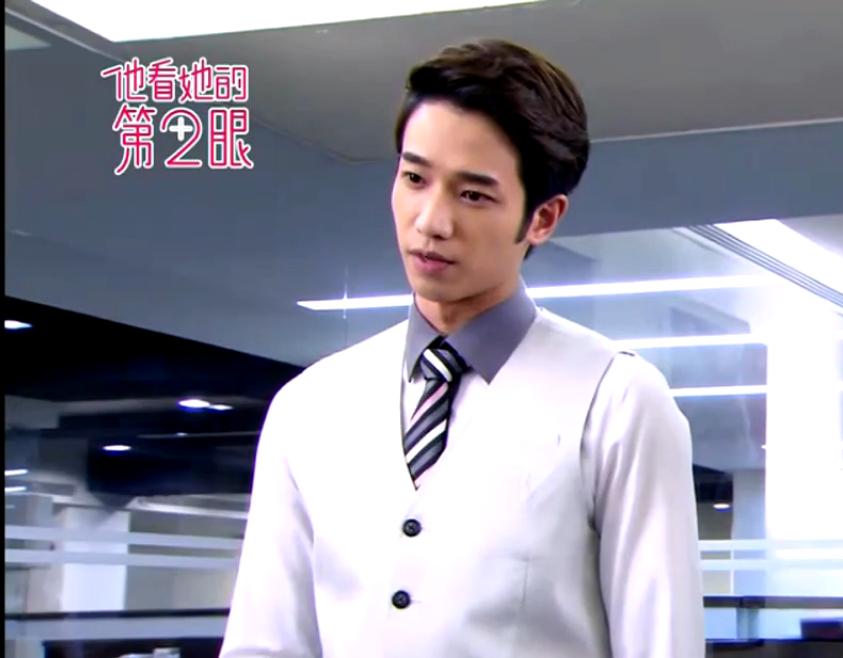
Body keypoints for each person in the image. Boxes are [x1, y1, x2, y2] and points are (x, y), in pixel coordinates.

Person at [221, 39, 705, 658]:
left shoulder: (617, 402)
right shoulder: (309, 407)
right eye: (414, 178)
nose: (431, 221)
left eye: (472, 194)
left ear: (543, 218)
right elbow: (265, 644)